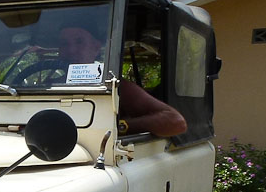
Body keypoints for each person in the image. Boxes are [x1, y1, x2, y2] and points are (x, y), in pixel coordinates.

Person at [57, 25, 187, 138]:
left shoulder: (112, 84)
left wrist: (118, 126)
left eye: (79, 42)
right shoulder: (49, 85)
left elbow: (176, 122)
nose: (71, 50)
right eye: (64, 43)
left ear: (96, 48)